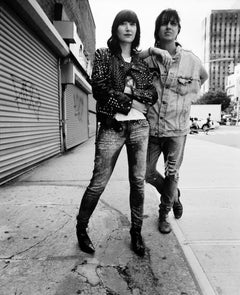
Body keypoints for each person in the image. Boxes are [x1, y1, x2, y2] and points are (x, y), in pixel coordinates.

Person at [76, 10, 158, 257]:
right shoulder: (103, 55)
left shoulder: (141, 62)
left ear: (137, 30)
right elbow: (99, 89)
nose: (128, 28)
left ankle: (136, 231)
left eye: (132, 23)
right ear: (115, 28)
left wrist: (129, 96)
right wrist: (132, 102)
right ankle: (81, 228)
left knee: (138, 184)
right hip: (112, 125)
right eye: (123, 23)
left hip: (139, 128)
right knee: (98, 182)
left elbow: (151, 95)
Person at [144, 9, 208, 234]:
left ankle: (164, 214)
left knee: (173, 173)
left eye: (173, 23)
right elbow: (131, 62)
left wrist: (188, 98)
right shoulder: (149, 58)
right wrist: (150, 51)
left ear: (178, 29)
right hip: (152, 128)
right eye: (164, 23)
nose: (168, 27)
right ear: (158, 29)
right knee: (146, 171)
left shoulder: (191, 59)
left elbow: (203, 77)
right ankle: (173, 195)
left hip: (177, 130)